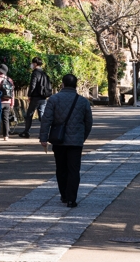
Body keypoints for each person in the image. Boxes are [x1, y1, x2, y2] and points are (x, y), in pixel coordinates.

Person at [39, 74, 93, 208]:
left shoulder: (54, 99)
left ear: (62, 84)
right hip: (76, 142)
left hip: (59, 140)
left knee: (61, 168)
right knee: (74, 170)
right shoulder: (83, 101)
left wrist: (43, 137)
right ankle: (71, 199)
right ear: (76, 85)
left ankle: (64, 195)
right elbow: (88, 122)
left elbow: (47, 119)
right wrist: (82, 137)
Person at [19, 57, 52, 138]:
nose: (31, 65)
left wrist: (29, 95)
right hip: (43, 97)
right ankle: (45, 133)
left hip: (36, 97)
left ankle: (26, 131)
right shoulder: (44, 73)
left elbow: (32, 85)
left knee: (29, 114)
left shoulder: (35, 73)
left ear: (35, 64)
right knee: (42, 115)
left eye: (32, 63)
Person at [0, 64, 15, 143]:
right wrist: (12, 103)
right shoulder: (10, 79)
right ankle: (6, 136)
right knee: (6, 119)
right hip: (8, 102)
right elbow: (12, 92)